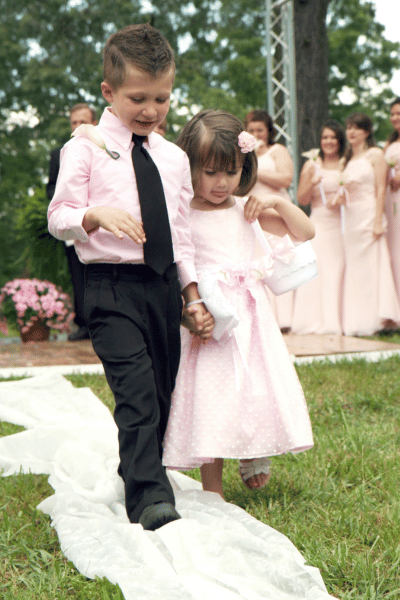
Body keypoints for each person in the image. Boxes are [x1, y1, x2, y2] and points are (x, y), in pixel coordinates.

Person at [48, 24, 209, 530]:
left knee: (162, 392)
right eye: (138, 98)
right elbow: (58, 217)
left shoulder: (174, 158)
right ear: (108, 92)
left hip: (161, 288)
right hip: (109, 288)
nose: (151, 110)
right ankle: (149, 497)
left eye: (162, 98)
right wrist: (92, 215)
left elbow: (181, 235)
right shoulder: (86, 149)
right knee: (136, 390)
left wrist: (193, 296)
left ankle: (137, 466)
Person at [162, 110, 315, 499]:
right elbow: (178, 269)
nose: (221, 183)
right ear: (190, 166)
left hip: (251, 318)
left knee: (253, 388)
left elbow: (305, 231)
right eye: (210, 172)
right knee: (213, 399)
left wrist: (275, 205)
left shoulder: (243, 208)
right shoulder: (181, 217)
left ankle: (253, 453)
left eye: (230, 172)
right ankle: (213, 491)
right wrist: (190, 313)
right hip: (211, 320)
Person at [340, 112, 400, 336]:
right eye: (348, 128)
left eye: (356, 127)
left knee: (372, 266)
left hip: (368, 215)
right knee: (356, 270)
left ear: (366, 131)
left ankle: (378, 319)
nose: (351, 132)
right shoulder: (347, 160)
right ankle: (358, 321)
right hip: (351, 218)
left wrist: (377, 220)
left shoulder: (376, 155)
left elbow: (381, 189)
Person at [46, 103, 98, 341]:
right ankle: (83, 324)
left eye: (82, 122)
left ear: (94, 123)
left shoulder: (104, 150)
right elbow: (51, 186)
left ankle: (101, 323)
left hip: (101, 225)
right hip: (72, 223)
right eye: (74, 123)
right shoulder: (60, 153)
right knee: (77, 276)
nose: (77, 127)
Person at [292, 120, 346, 334]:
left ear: (339, 141)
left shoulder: (345, 163)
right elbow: (301, 199)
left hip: (342, 222)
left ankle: (340, 318)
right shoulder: (311, 164)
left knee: (339, 269)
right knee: (319, 269)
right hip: (320, 224)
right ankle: (313, 320)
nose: (329, 141)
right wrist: (312, 181)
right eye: (325, 137)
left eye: (333, 137)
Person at [245, 109, 294, 332]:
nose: (256, 134)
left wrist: (255, 170)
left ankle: (286, 317)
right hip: (254, 214)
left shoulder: (277, 150)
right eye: (251, 130)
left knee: (282, 260)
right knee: (259, 262)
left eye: (260, 130)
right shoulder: (244, 154)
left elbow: (285, 178)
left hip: (275, 211)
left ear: (268, 131)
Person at [384, 97, 400, 300]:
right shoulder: (389, 143)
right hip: (391, 200)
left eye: (399, 113)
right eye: (393, 114)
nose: (395, 118)